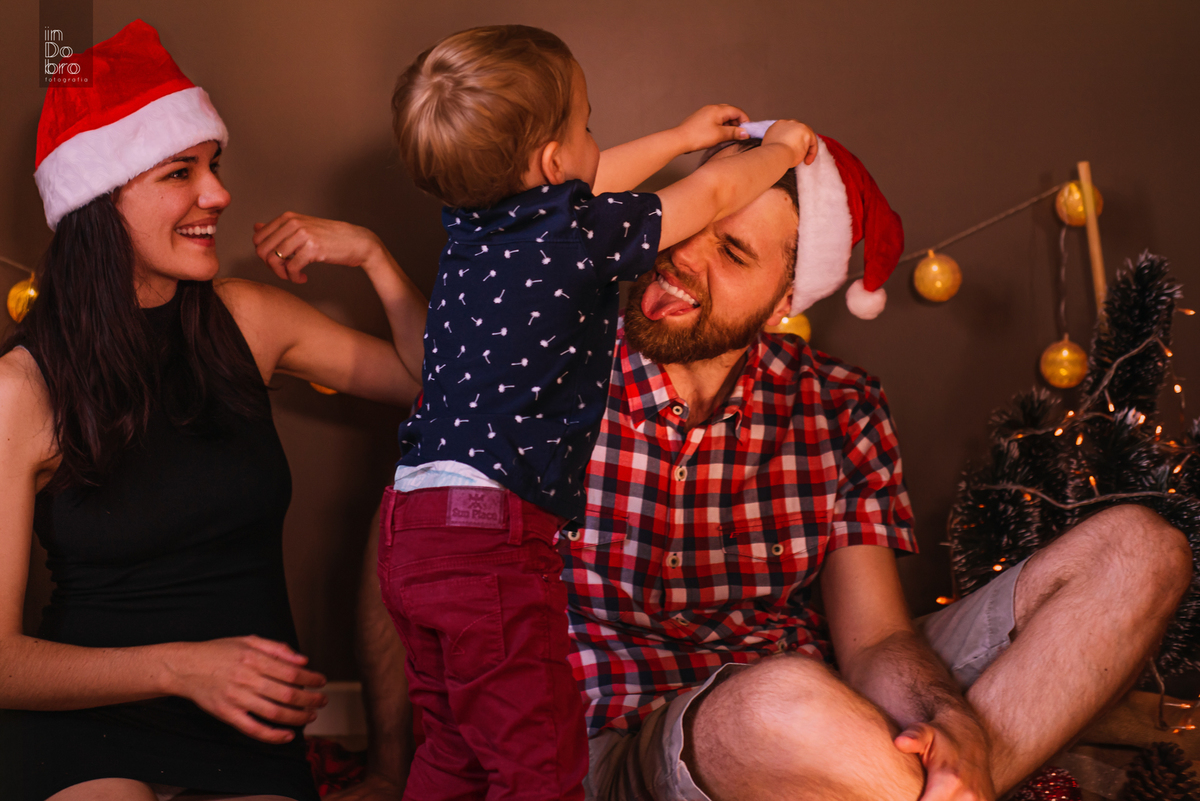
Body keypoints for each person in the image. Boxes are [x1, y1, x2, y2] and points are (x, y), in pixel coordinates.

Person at [342, 132, 1193, 801]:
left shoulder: (839, 403)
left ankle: (959, 777)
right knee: (776, 699)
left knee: (1141, 548)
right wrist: (387, 768)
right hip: (615, 742)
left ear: (787, 298)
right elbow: (409, 553)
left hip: (825, 713)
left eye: (735, 253)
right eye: (688, 224)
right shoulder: (548, 362)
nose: (684, 257)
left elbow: (875, 639)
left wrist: (949, 721)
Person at [382, 25, 817, 801]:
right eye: (588, 125)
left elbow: (582, 178)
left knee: (453, 747)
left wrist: (680, 137)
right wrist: (782, 150)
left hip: (411, 525)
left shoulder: (474, 223)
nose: (595, 143)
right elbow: (713, 195)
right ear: (553, 161)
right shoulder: (582, 238)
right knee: (541, 762)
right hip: (492, 536)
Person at [0, 20, 426, 801]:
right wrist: (182, 667)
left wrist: (372, 254)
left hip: (245, 724)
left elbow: (429, 381)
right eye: (179, 171)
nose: (219, 193)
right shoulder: (22, 388)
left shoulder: (246, 320)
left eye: (213, 165)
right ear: (98, 198)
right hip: (86, 721)